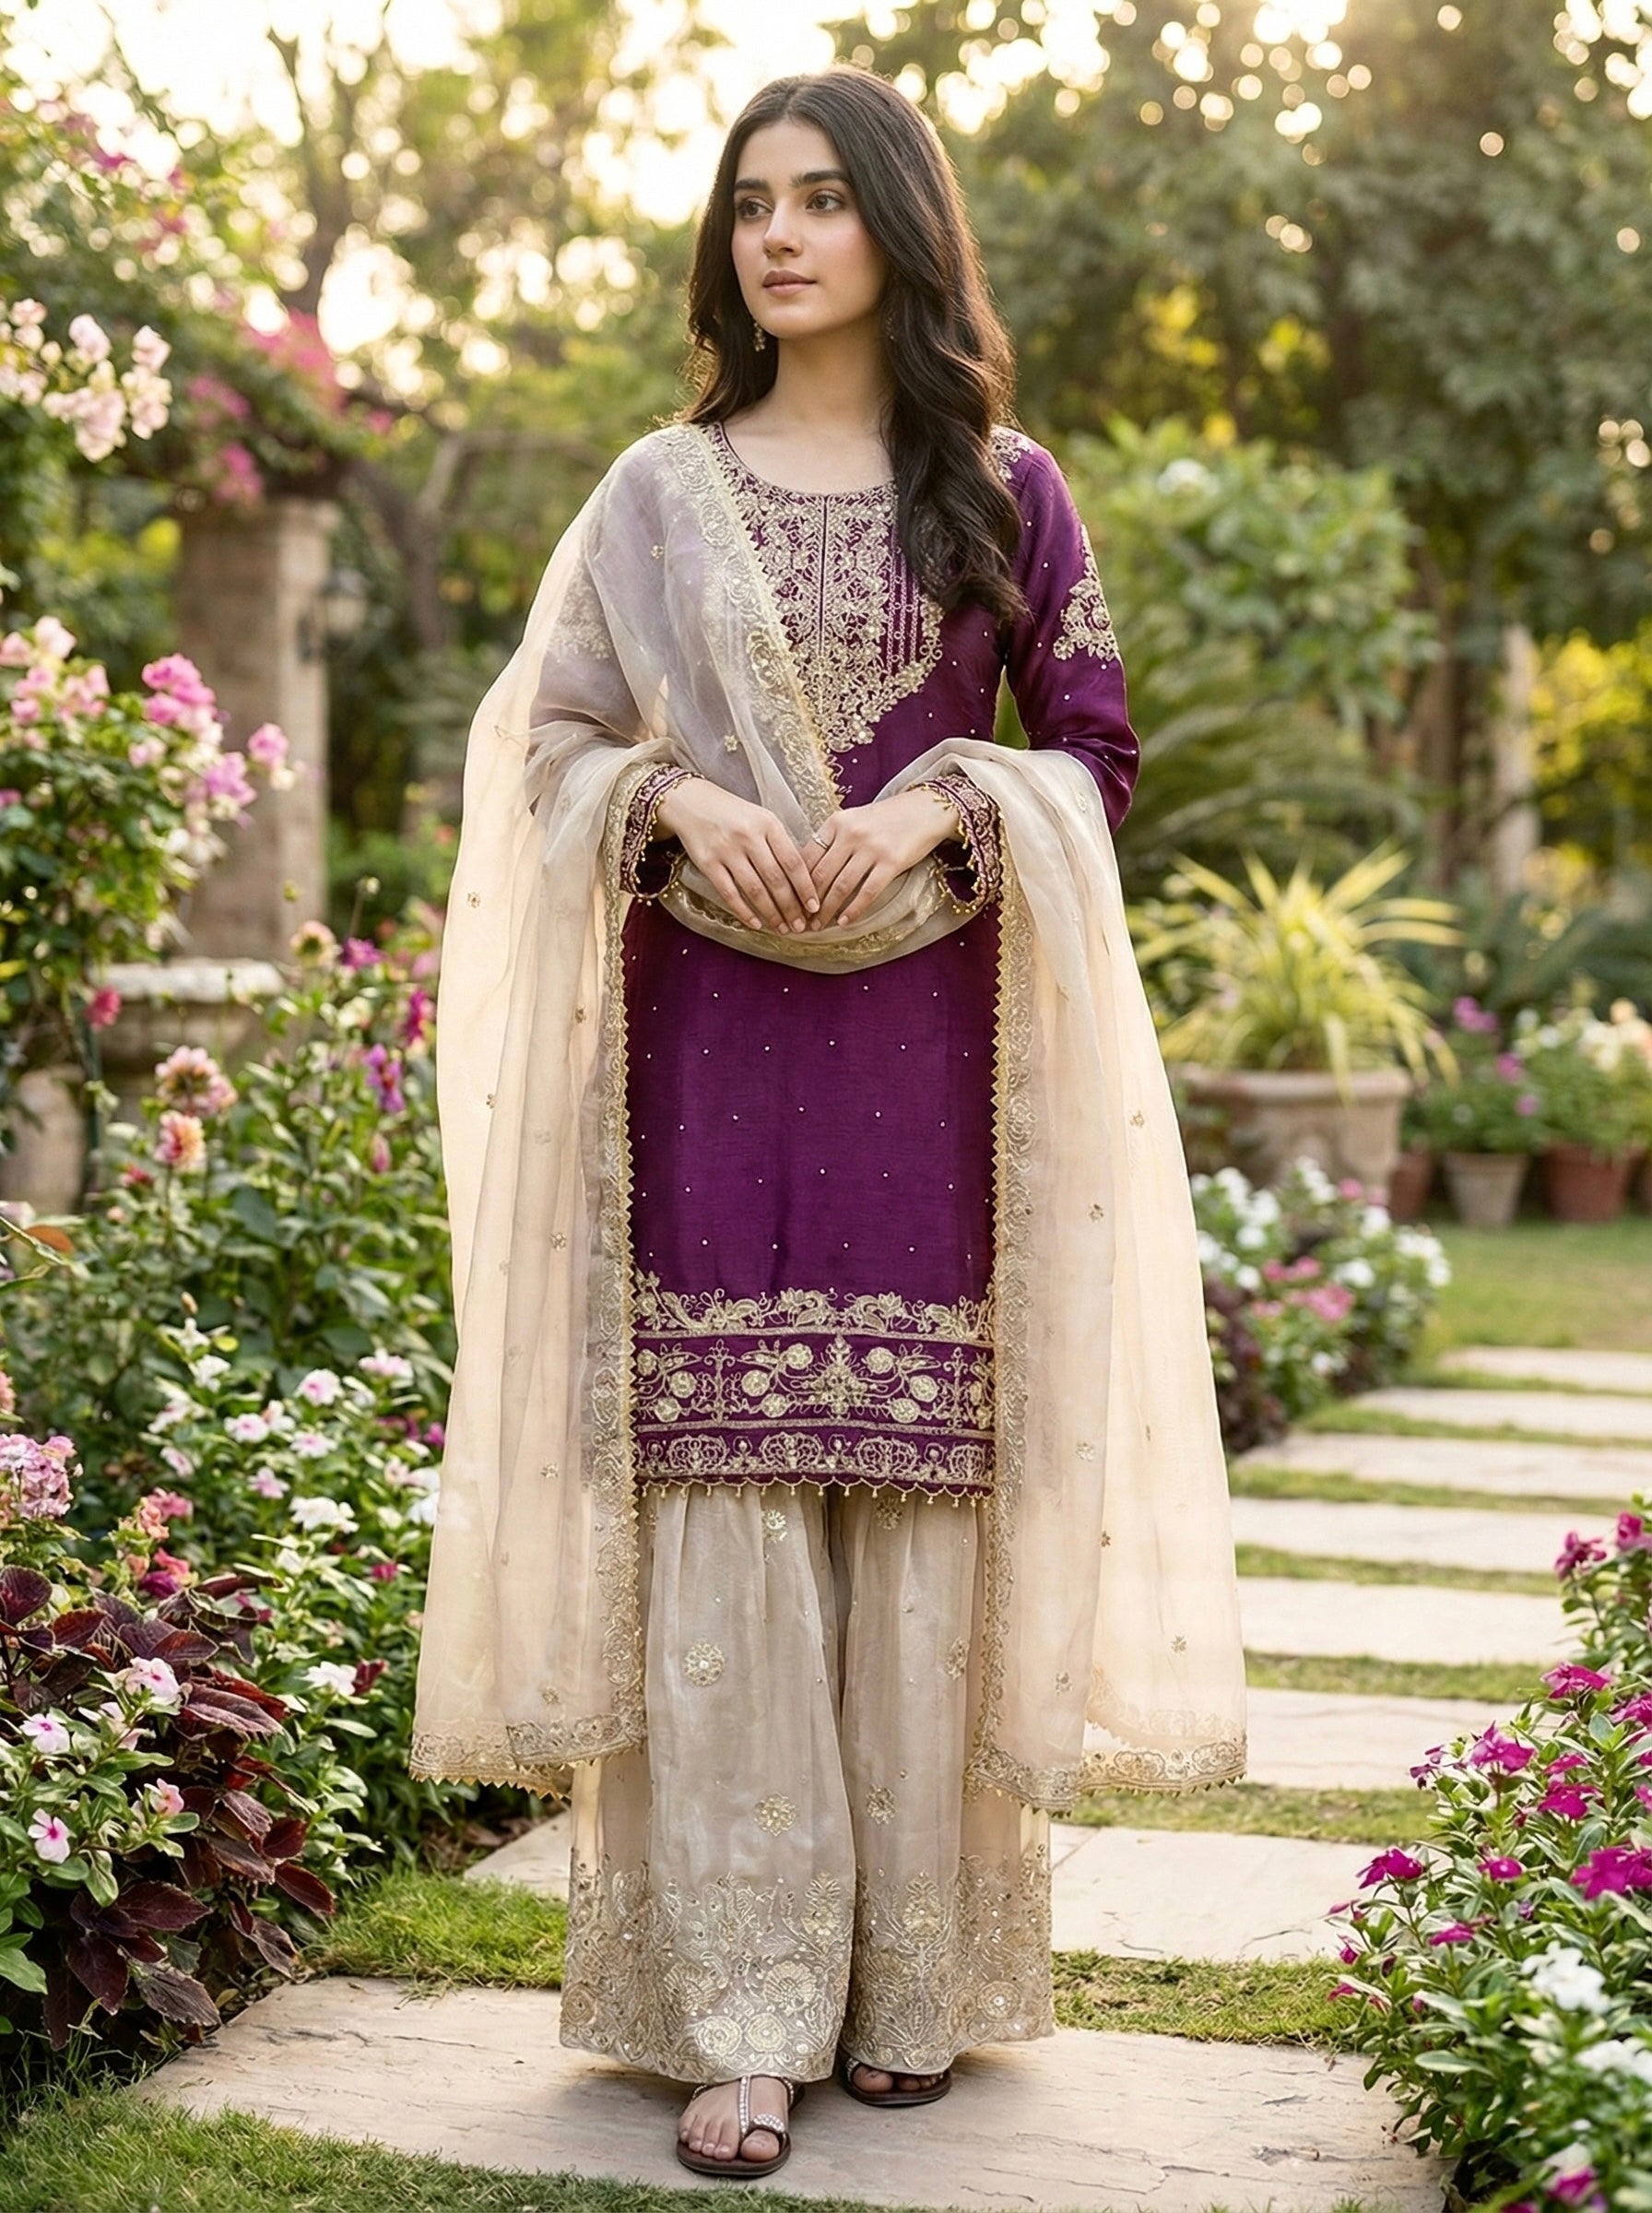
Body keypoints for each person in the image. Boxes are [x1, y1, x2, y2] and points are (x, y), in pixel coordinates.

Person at [411, 65, 1245, 2185]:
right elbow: (553, 741)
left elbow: (1092, 748)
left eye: (818, 201)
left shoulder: (1004, 492)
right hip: (702, 1045)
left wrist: (934, 810)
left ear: (894, 225)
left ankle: (905, 1986)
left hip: (927, 1052)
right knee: (725, 1481)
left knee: (906, 1484)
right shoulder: (652, 490)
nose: (776, 236)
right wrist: (676, 801)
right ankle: (741, 2011)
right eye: (749, 204)